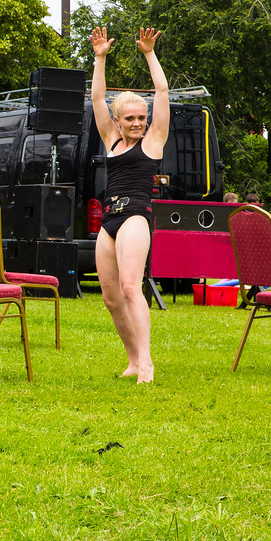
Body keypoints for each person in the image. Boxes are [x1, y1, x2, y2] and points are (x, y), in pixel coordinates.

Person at [90, 26, 169, 384]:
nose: (138, 123)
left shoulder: (153, 141)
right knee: (110, 297)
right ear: (118, 120)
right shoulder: (111, 138)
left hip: (136, 216)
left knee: (129, 287)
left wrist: (149, 53)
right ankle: (133, 360)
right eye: (131, 118)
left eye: (142, 117)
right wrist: (100, 58)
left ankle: (147, 364)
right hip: (109, 220)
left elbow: (162, 90)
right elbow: (96, 100)